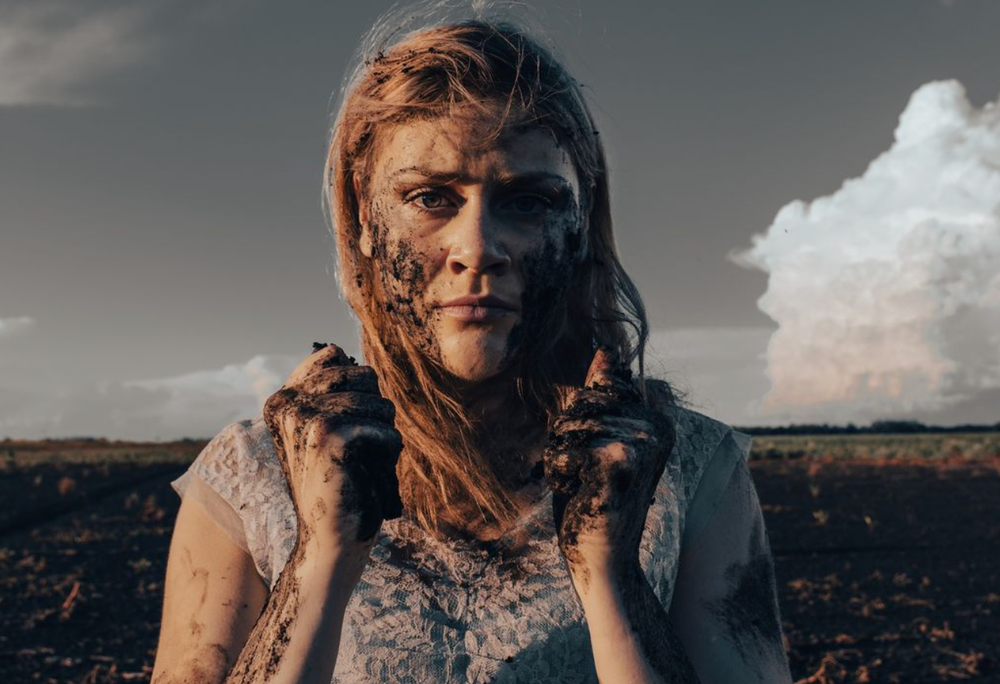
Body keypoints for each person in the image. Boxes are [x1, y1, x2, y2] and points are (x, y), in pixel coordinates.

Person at [151, 10, 794, 684]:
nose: (478, 250)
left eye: (527, 202)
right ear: (364, 219)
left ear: (579, 226)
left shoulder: (684, 472)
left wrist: (611, 579)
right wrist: (319, 562)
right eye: (431, 198)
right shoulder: (257, 477)